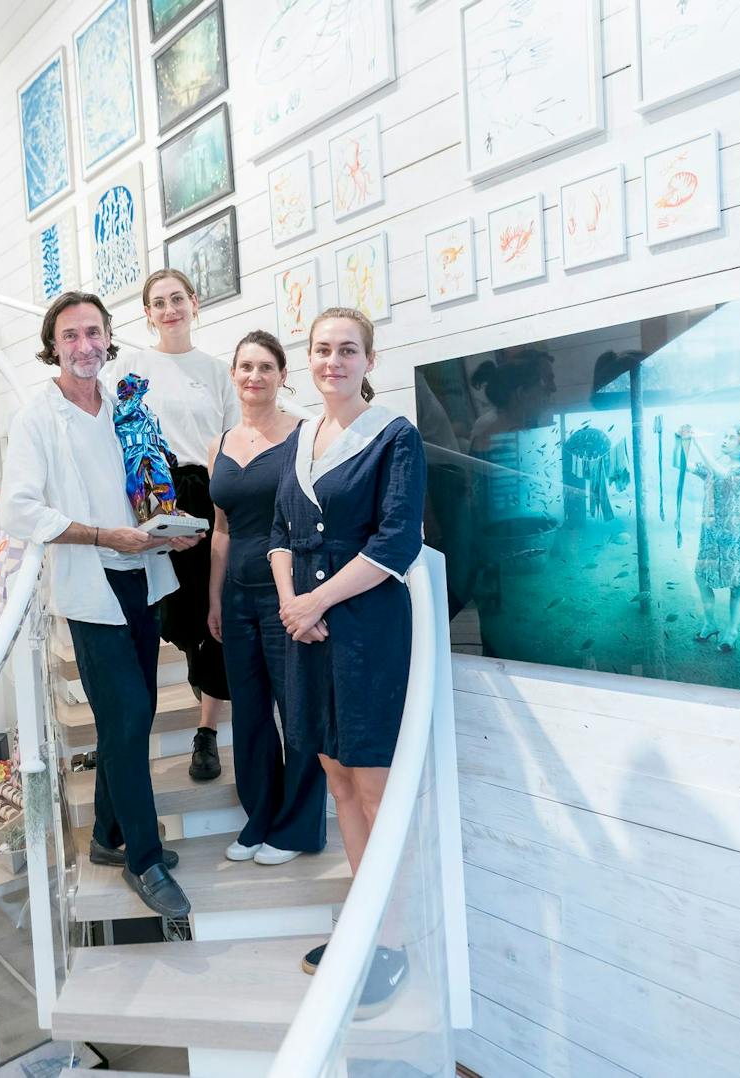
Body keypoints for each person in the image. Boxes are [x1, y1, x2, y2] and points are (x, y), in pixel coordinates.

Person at [0, 290, 199, 919]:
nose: (84, 346)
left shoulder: (125, 404)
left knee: (128, 718)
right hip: (94, 585)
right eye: (70, 337)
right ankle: (144, 858)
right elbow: (21, 509)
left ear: (109, 337)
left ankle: (110, 835)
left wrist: (171, 526)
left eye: (93, 333)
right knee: (130, 714)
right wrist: (100, 535)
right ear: (53, 346)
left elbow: (148, 478)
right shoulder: (38, 416)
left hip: (142, 573)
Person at [269, 307, 426, 1012]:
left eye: (348, 350)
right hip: (309, 629)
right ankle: (363, 926)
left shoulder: (394, 437)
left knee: (374, 788)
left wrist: (317, 602)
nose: (333, 360)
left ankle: (390, 942)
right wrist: (290, 604)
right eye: (322, 349)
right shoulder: (304, 437)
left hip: (363, 629)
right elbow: (279, 531)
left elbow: (397, 544)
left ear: (369, 359)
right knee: (335, 776)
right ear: (309, 358)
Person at [105, 268, 240, 783]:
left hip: (210, 492)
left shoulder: (216, 370)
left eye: (177, 299)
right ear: (147, 314)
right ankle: (191, 669)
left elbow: (233, 437)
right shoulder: (135, 367)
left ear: (194, 303)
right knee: (176, 617)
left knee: (215, 610)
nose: (169, 310)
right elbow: (122, 433)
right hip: (157, 494)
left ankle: (206, 732)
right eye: (158, 302)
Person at [207, 331, 327, 866]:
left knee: (296, 709)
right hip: (236, 598)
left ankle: (297, 826)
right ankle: (258, 817)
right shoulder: (220, 443)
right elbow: (222, 530)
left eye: (264, 367)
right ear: (233, 375)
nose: (253, 376)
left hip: (289, 593)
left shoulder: (308, 436)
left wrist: (314, 597)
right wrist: (213, 598)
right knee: (250, 713)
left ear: (282, 376)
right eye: (244, 366)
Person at [681, 422, 740, 652]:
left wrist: (697, 441)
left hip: (731, 535)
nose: (724, 440)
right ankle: (710, 623)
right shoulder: (714, 468)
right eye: (724, 436)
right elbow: (682, 466)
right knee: (701, 578)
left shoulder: (739, 470)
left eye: (730, 437)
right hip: (710, 534)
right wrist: (683, 441)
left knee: (737, 585)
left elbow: (722, 474)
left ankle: (732, 631)